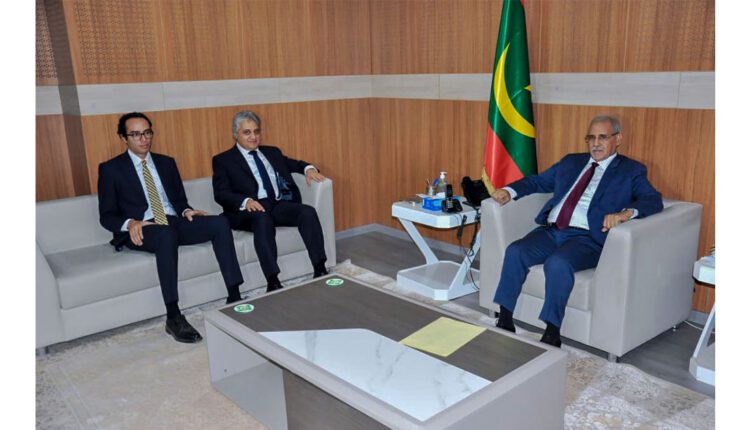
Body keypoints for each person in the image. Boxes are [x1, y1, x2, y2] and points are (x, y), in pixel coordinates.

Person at [490, 115, 663, 347]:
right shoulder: (571, 162)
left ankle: (552, 331)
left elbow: (653, 199)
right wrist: (509, 191)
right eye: (591, 138)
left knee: (557, 263)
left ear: (618, 139)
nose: (596, 143)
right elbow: (537, 182)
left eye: (603, 137)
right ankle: (505, 318)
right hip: (552, 230)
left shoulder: (630, 170)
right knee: (516, 251)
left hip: (587, 239)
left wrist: (625, 213)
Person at [98, 112, 244, 344]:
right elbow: (106, 216)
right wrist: (130, 223)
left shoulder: (166, 163)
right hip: (143, 227)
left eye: (147, 132)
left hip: (172, 221)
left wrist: (186, 211)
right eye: (135, 134)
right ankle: (173, 315)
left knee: (219, 222)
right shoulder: (111, 169)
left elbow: (178, 200)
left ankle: (234, 297)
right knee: (165, 235)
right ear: (123, 138)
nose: (143, 139)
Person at [212, 111, 328, 292]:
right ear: (235, 134)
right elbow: (221, 193)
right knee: (262, 219)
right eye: (247, 132)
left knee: (307, 212)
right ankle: (272, 280)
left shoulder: (272, 152)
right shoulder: (223, 160)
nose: (253, 137)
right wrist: (245, 201)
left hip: (276, 205)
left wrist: (309, 169)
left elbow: (294, 164)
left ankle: (320, 268)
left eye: (256, 131)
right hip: (247, 211)